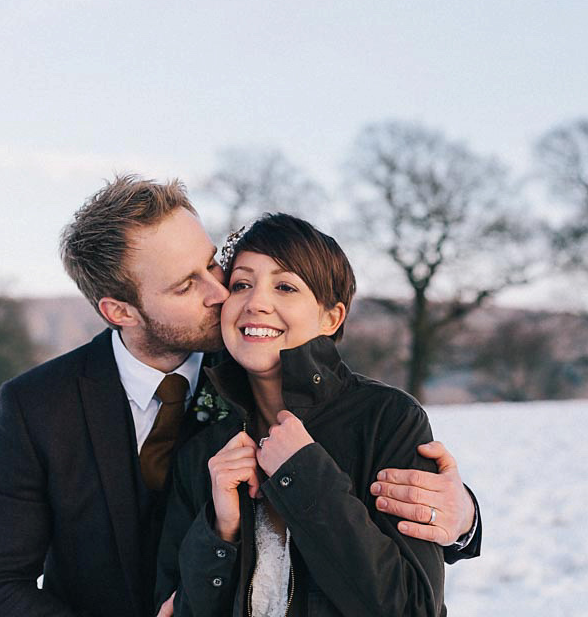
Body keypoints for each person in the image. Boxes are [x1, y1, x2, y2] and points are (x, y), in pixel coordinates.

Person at [0, 176, 480, 617]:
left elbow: (351, 432)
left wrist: (462, 518)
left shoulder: (254, 362)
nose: (219, 291)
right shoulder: (39, 406)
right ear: (121, 311)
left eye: (212, 265)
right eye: (187, 285)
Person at [155, 214, 456, 616]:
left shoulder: (388, 419)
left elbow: (413, 609)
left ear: (331, 317)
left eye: (285, 286)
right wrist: (219, 531)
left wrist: (303, 474)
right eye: (241, 284)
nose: (256, 302)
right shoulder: (204, 449)